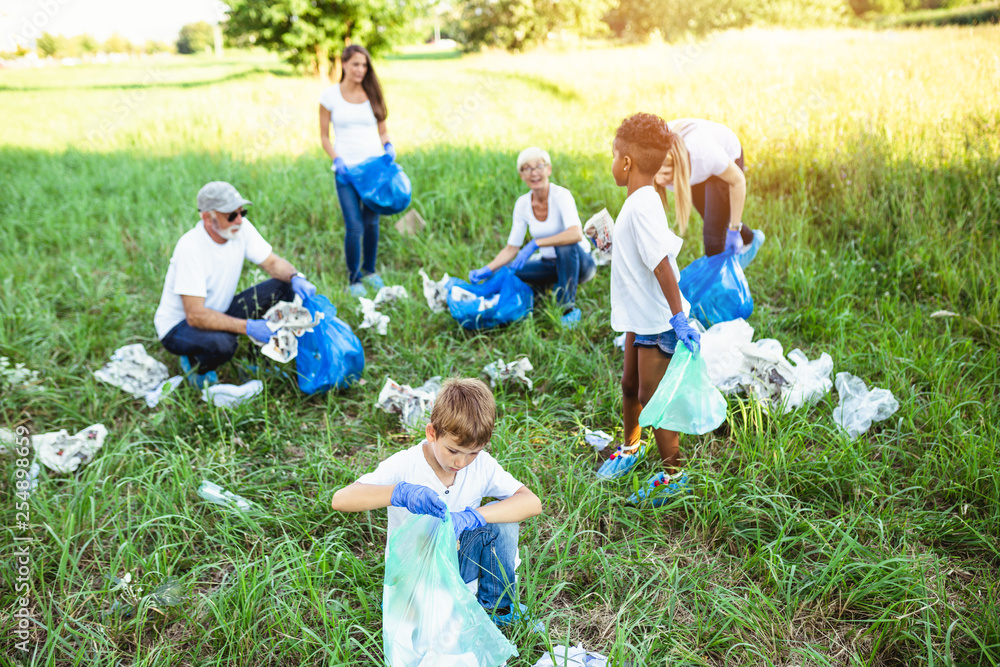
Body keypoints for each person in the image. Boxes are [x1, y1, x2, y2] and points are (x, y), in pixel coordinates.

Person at [330, 378, 543, 628]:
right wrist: (400, 493)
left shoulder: (482, 465)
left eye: (472, 453)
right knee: (421, 622)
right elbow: (341, 500)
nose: (461, 463)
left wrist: (472, 516)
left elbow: (531, 502)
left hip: (457, 564)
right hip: (416, 572)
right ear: (432, 433)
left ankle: (498, 607)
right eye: (453, 451)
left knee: (504, 524)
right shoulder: (406, 464)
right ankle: (412, 603)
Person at [596, 113, 701, 506]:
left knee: (652, 396)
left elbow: (661, 265)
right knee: (629, 387)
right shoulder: (641, 200)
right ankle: (631, 446)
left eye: (613, 156)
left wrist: (678, 318)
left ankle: (674, 473)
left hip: (658, 319)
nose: (612, 163)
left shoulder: (641, 205)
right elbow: (642, 255)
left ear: (626, 162)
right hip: (637, 315)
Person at [154, 181, 317, 388]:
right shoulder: (191, 248)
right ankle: (196, 362)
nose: (239, 220)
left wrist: (295, 277)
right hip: (180, 326)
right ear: (207, 217)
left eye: (242, 212)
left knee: (283, 286)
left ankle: (257, 359)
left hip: (218, 310)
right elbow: (195, 316)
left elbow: (273, 263)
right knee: (223, 345)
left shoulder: (241, 229)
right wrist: (248, 327)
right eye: (231, 215)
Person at [468, 147, 596, 327]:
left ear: (549, 169)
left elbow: (575, 234)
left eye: (539, 166)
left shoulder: (561, 196)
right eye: (527, 168)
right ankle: (533, 292)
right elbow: (512, 248)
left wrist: (536, 243)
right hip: (550, 265)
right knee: (508, 270)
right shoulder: (522, 204)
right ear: (521, 175)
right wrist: (487, 269)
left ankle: (567, 308)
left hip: (580, 265)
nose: (534, 173)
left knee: (565, 245)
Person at [319, 44, 395, 297]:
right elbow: (324, 137)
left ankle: (370, 271)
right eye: (355, 64)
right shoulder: (330, 96)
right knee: (354, 225)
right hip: (347, 172)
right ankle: (354, 279)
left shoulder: (373, 93)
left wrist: (388, 145)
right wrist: (337, 160)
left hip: (374, 171)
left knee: (372, 223)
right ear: (344, 64)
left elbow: (382, 130)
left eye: (364, 65)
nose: (360, 70)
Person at [653, 118, 765, 268]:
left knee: (713, 237)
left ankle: (718, 287)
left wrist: (734, 229)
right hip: (696, 166)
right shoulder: (654, 155)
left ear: (679, 167)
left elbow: (738, 181)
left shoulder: (705, 156)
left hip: (727, 157)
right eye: (656, 174)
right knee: (713, 217)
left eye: (666, 174)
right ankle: (751, 239)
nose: (660, 181)